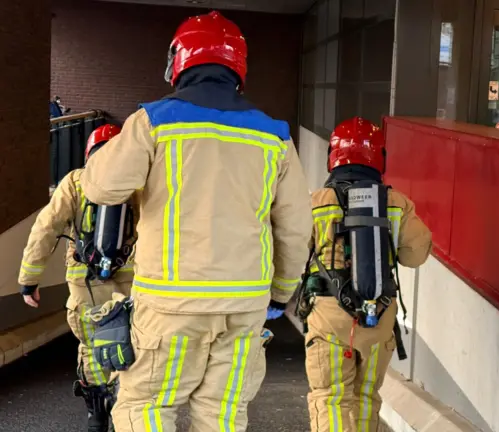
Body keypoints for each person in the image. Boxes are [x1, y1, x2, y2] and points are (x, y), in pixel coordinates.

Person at [79, 10, 312, 432]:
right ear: (237, 65)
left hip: (171, 304)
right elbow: (296, 227)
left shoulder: (154, 122)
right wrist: (280, 295)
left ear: (178, 61)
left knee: (146, 407)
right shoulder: (275, 136)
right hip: (244, 306)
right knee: (222, 416)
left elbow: (100, 187)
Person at [301, 117, 432, 432]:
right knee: (365, 396)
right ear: (379, 157)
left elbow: (291, 253)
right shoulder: (396, 203)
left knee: (330, 396)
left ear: (333, 156)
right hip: (379, 314)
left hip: (329, 315)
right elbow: (415, 255)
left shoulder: (317, 203)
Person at [19, 124, 136, 432]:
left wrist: (29, 278)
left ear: (88, 152)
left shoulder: (75, 181)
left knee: (92, 343)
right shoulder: (139, 183)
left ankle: (96, 416)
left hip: (86, 280)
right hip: (132, 279)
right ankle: (127, 412)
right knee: (131, 343)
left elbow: (46, 228)